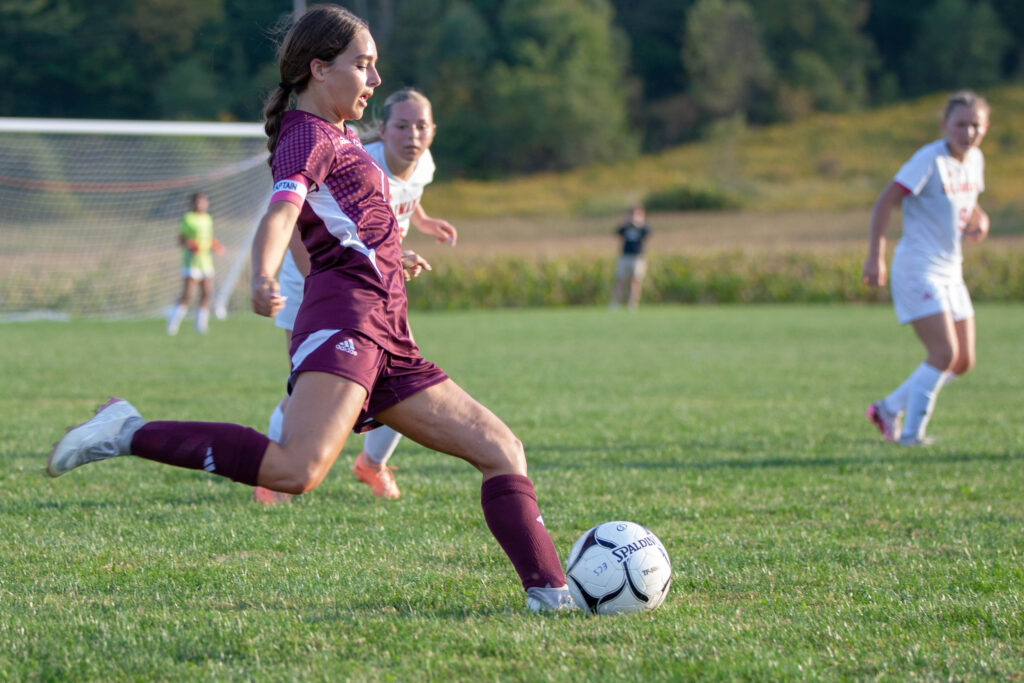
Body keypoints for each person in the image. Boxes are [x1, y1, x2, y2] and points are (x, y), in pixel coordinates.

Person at [47, 4, 574, 612]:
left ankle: (551, 596)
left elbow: (345, 220)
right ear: (320, 69)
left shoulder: (344, 135)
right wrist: (264, 272)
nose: (373, 81)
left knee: (502, 450)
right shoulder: (307, 134)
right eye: (363, 66)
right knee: (296, 470)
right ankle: (126, 432)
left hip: (388, 334)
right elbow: (281, 212)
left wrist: (390, 253)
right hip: (346, 321)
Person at [253, 87, 456, 505]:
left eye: (421, 125)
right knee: (307, 387)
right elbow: (298, 218)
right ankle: (272, 476)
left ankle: (371, 464)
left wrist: (424, 221)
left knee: (401, 376)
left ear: (433, 131)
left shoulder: (425, 164)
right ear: (382, 130)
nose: (412, 134)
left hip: (373, 279)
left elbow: (405, 199)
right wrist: (318, 282)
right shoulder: (361, 157)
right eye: (401, 125)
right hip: (316, 273)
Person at [862, 90, 990, 446]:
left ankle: (888, 408)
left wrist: (980, 218)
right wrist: (875, 256)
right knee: (944, 354)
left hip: (952, 269)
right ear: (944, 125)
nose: (968, 132)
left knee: (963, 361)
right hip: (918, 267)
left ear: (986, 128)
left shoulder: (975, 160)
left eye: (975, 125)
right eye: (960, 124)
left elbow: (969, 203)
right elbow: (886, 201)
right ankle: (911, 436)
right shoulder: (928, 160)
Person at [166, 192, 224, 335]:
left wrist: (215, 245)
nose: (201, 204)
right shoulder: (188, 218)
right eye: (198, 201)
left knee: (206, 293)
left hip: (206, 261)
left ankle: (200, 326)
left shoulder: (208, 219)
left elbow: (208, 238)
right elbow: (181, 239)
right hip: (191, 261)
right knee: (188, 294)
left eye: (204, 201)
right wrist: (192, 246)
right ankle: (172, 325)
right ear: (193, 203)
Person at [610, 203, 650, 310]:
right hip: (625, 256)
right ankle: (615, 303)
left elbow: (647, 235)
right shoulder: (625, 227)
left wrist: (638, 224)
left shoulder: (642, 228)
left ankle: (632, 304)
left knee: (635, 281)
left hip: (637, 257)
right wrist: (626, 222)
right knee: (620, 280)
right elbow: (617, 233)